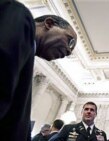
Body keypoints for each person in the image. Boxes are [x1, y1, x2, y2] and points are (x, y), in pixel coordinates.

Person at [0, 1, 77, 141]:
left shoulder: (26, 58)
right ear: (49, 23)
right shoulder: (20, 16)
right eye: (70, 41)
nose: (69, 52)